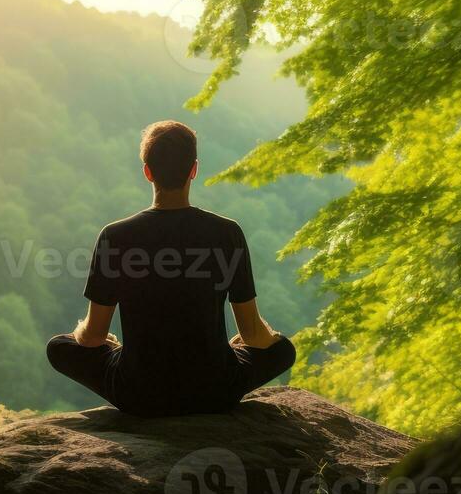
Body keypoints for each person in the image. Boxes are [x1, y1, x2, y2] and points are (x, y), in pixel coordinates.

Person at [46, 119, 296, 416]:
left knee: (59, 346)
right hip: (216, 391)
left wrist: (100, 341)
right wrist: (254, 342)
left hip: (139, 394)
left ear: (147, 172)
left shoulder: (115, 236)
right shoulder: (226, 233)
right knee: (284, 350)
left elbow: (92, 338)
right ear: (194, 169)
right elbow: (254, 335)